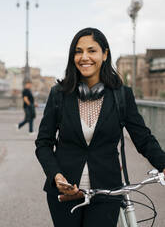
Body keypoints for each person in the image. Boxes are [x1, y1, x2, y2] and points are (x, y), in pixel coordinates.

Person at [35, 27, 165, 227]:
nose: (84, 57)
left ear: (105, 54)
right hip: (65, 194)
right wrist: (56, 176)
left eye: (91, 50)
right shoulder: (59, 94)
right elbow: (43, 143)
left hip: (107, 193)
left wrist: (163, 163)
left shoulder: (122, 95)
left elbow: (143, 138)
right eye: (78, 51)